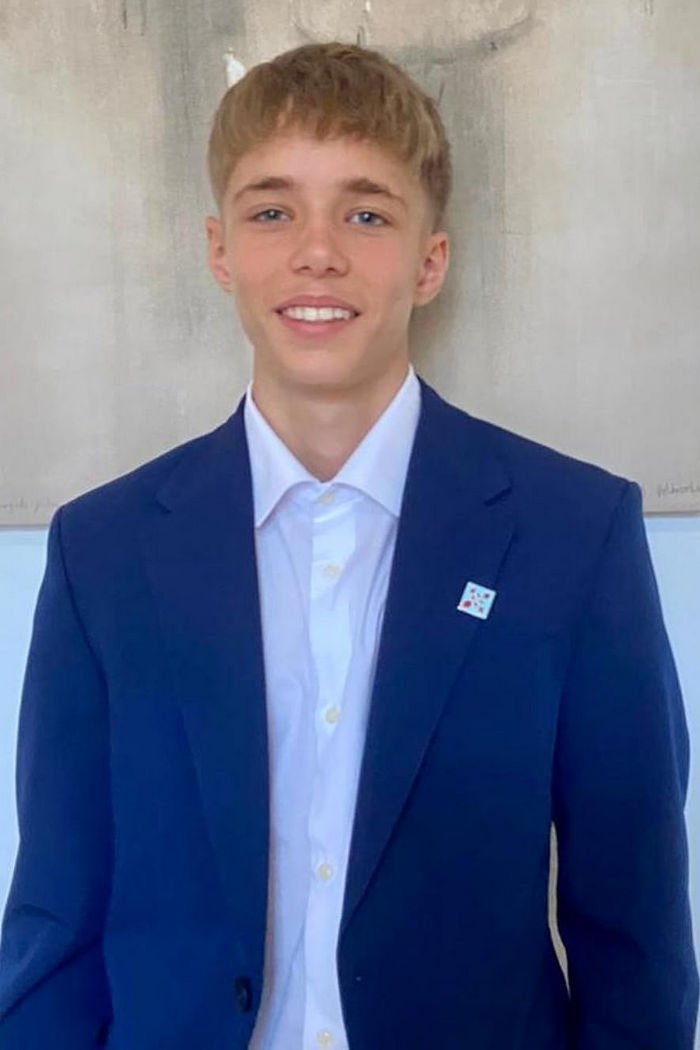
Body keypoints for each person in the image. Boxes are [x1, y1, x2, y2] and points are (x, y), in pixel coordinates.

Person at [0, 40, 697, 1050]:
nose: (317, 252)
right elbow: (56, 920)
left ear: (429, 261)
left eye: (366, 214)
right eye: (272, 212)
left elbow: (635, 932)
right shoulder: (102, 553)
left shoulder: (573, 535)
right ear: (219, 251)